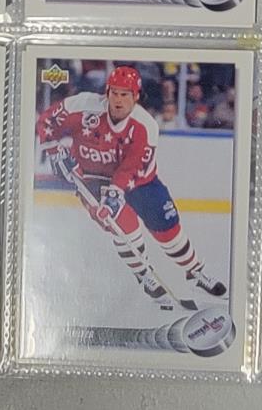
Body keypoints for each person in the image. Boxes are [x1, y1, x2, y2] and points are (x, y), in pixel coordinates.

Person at [36, 65, 226, 309]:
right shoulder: (82, 106)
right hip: (93, 180)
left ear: (136, 97)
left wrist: (115, 194)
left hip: (140, 182)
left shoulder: (145, 126)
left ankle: (194, 271)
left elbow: (131, 168)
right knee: (124, 229)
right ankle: (144, 274)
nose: (118, 100)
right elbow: (46, 121)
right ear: (106, 92)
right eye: (114, 93)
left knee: (168, 230)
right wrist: (53, 149)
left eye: (125, 94)